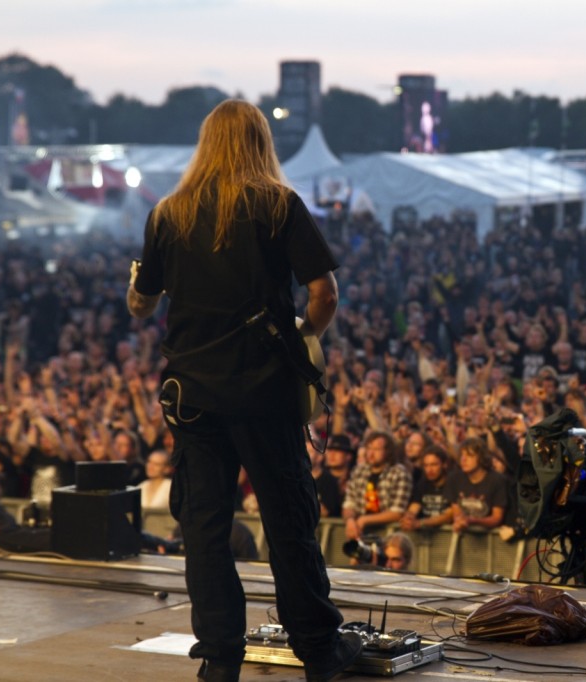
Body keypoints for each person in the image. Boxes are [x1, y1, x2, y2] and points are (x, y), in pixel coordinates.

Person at [127, 100, 360, 682]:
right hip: (263, 388)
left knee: (203, 525)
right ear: (261, 142)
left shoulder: (168, 213)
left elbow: (141, 302)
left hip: (192, 392)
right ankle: (319, 653)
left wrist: (137, 286)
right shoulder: (278, 205)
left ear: (206, 144)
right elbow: (324, 293)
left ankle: (220, 658)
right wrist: (306, 337)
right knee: (288, 519)